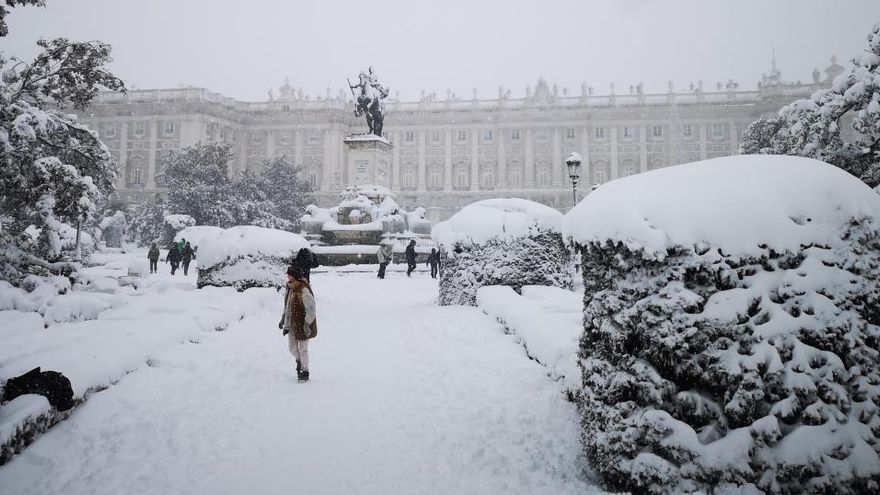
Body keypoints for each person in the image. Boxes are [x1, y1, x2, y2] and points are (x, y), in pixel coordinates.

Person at [279, 266, 318, 382]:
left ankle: (304, 371)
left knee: (303, 349)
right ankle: (299, 362)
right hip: (291, 324)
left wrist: (307, 324)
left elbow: (311, 309)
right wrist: (283, 321)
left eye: (289, 275)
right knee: (292, 348)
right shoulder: (290, 288)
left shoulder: (303, 289)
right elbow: (287, 307)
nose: (287, 276)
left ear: (294, 276)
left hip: (302, 324)